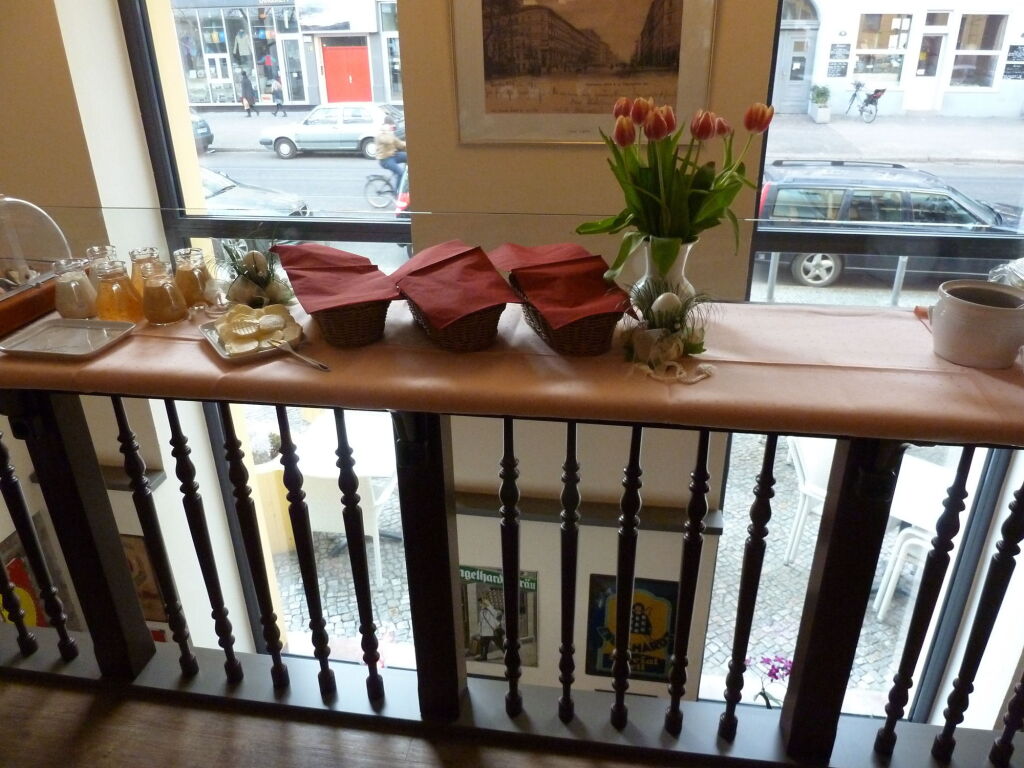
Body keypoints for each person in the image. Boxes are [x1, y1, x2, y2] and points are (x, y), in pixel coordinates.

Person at [375, 116, 406, 187]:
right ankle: (397, 192)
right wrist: (388, 131)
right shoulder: (381, 133)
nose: (393, 128)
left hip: (393, 155)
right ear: (387, 125)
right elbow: (388, 140)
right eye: (392, 126)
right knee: (400, 173)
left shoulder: (390, 133)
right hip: (385, 159)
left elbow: (399, 144)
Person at [476, 597, 499, 661]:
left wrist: (489, 606)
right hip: (483, 631)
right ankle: (483, 656)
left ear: (484, 603)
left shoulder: (490, 610)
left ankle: (483, 656)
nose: (480, 605)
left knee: (485, 644)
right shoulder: (481, 611)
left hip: (488, 630)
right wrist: (479, 631)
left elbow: (495, 614)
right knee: (483, 644)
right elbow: (480, 622)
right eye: (480, 603)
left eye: (481, 603)